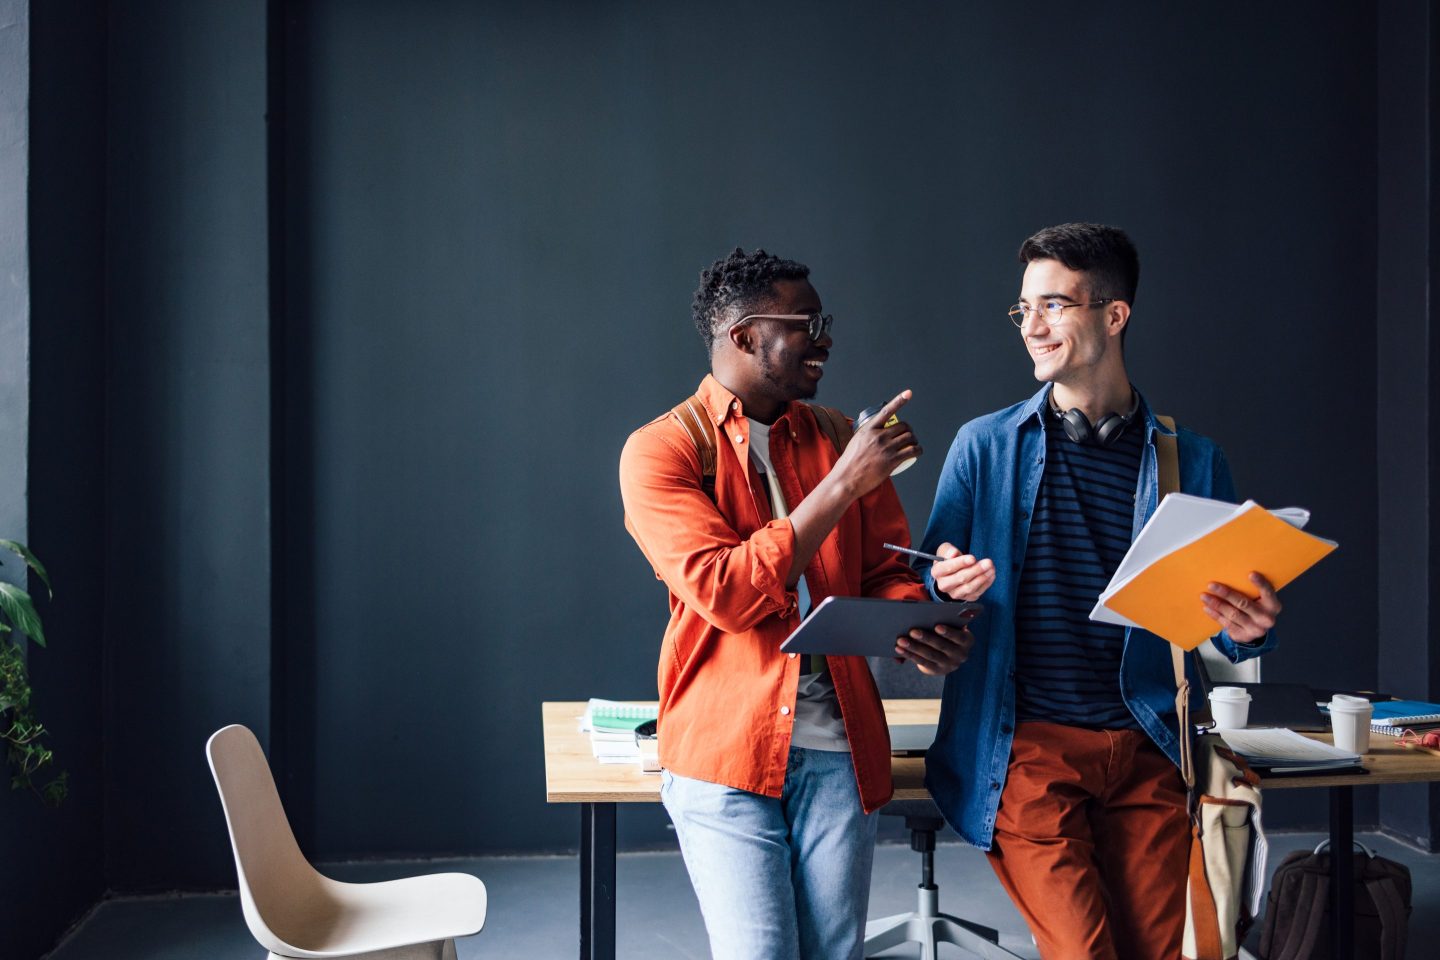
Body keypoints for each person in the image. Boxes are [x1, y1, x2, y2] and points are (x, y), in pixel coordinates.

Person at [915, 223, 1282, 960]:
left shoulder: (1193, 461)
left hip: (1148, 746)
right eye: (1024, 309)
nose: (1033, 327)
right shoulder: (983, 447)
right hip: (1027, 750)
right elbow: (925, 584)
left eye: (1053, 305)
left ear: (1115, 315)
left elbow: (1217, 619)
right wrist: (941, 582)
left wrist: (1247, 628)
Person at [619, 247, 974, 960]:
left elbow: (885, 572)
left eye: (824, 322)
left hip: (839, 751)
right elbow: (726, 592)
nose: (826, 339)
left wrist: (921, 620)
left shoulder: (840, 437)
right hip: (725, 755)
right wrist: (843, 484)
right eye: (807, 324)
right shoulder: (662, 450)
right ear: (746, 336)